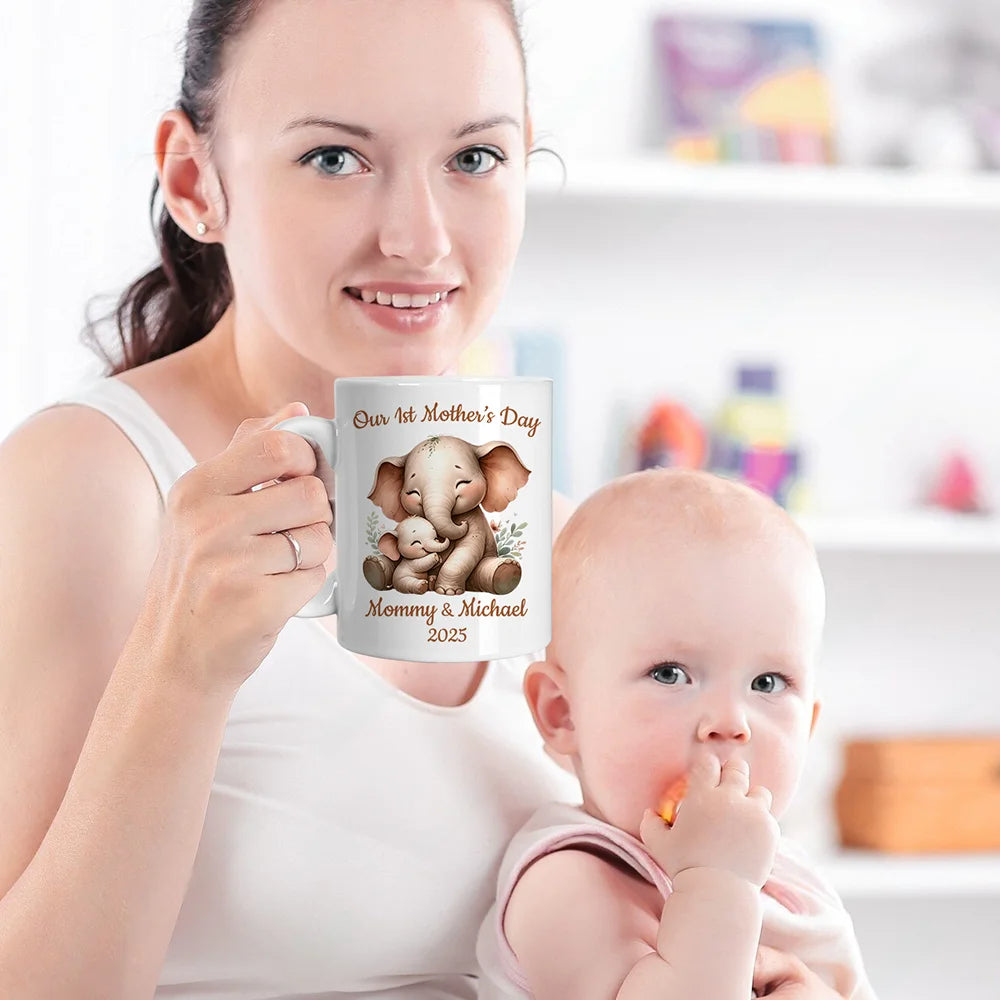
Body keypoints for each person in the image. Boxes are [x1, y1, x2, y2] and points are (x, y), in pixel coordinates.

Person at [0, 2, 581, 998]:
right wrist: (180, 671)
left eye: (474, 158)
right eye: (333, 159)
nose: (419, 237)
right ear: (196, 181)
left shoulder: (561, 533)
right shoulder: (95, 482)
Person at [476, 468, 878, 1000]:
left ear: (808, 726)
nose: (730, 723)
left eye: (767, 682)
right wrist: (718, 883)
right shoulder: (569, 883)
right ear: (563, 713)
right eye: (671, 674)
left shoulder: (791, 879)